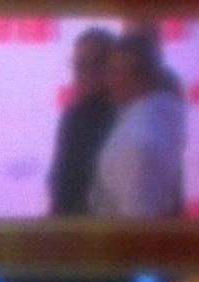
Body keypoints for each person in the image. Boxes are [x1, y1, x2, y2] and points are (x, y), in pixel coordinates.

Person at [89, 30, 185, 219]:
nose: (108, 80)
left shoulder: (138, 142)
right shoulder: (165, 109)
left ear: (139, 77)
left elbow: (137, 223)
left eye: (115, 72)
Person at [48, 27, 118, 216]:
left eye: (96, 63)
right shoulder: (73, 116)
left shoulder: (128, 119)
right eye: (78, 65)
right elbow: (61, 184)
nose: (85, 72)